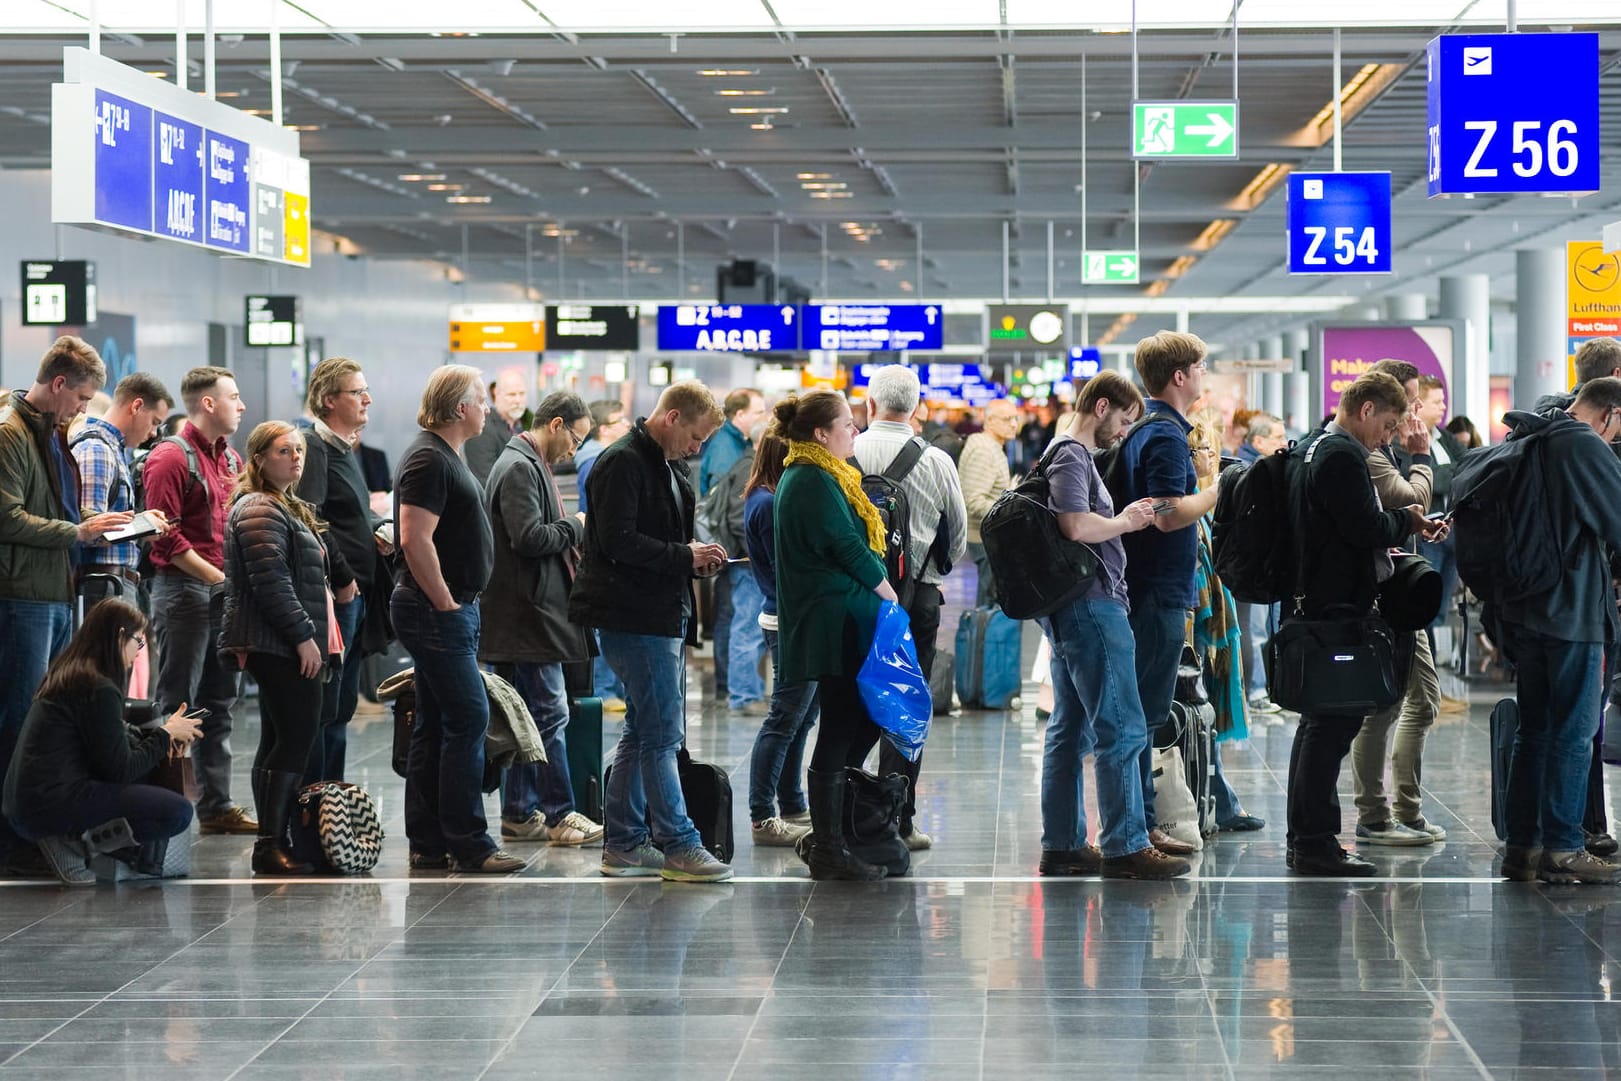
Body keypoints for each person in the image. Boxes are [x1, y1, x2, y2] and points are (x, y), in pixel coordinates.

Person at [569, 381, 733, 883]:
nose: (697, 448)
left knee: (643, 732)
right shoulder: (622, 462)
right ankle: (680, 845)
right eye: (695, 436)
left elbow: (658, 537)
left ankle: (622, 844)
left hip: (657, 611)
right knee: (663, 735)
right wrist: (685, 556)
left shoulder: (665, 463)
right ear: (672, 416)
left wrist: (692, 557)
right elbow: (618, 542)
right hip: (632, 616)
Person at [1286, 372, 1445, 876]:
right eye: (1390, 425)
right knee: (1331, 727)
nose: (1390, 437)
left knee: (1322, 727)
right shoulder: (1341, 455)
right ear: (1367, 408)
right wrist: (1409, 522)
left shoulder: (1318, 448)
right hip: (1337, 607)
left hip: (1325, 602)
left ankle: (1311, 838)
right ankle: (1314, 842)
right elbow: (1365, 527)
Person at [1036, 372, 1191, 880]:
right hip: (1092, 607)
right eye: (1123, 420)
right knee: (1121, 726)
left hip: (1073, 608)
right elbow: (1076, 525)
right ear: (1102, 407)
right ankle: (1125, 844)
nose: (1124, 432)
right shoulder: (1071, 455)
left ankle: (1063, 843)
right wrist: (1128, 521)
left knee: (1071, 728)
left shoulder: (1063, 454)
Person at [0, 336, 133, 875]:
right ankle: (12, 836)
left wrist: (84, 529)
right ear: (58, 384)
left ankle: (31, 828)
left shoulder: (48, 435)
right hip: (20, 597)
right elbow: (6, 517)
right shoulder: (10, 436)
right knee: (17, 720)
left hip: (50, 592)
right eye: (80, 398)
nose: (83, 409)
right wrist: (77, 531)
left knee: (39, 720)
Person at [393, 365, 522, 874]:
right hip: (434, 611)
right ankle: (470, 843)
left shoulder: (444, 454)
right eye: (479, 400)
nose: (486, 408)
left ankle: (429, 841)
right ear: (458, 407)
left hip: (445, 609)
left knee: (435, 723)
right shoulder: (429, 457)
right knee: (469, 717)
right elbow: (413, 537)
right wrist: (445, 600)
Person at [771, 390, 899, 881]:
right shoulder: (809, 478)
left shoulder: (823, 474)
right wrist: (889, 594)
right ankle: (828, 845)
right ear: (821, 434)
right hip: (831, 624)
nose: (857, 431)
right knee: (843, 723)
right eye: (848, 424)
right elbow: (846, 546)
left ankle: (837, 832)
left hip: (840, 620)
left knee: (859, 720)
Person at [1498, 378, 1621, 884]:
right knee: (1574, 730)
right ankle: (1565, 847)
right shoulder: (1582, 443)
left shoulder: (1529, 435)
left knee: (1535, 729)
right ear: (1609, 413)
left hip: (1527, 607)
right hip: (1572, 609)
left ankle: (1523, 847)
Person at [1111, 331, 1221, 859]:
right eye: (1201, 368)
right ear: (1180, 376)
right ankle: (1138, 830)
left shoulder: (1145, 430)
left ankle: (1141, 824)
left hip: (1144, 588)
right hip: (1156, 592)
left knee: (1141, 711)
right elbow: (1167, 513)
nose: (1204, 375)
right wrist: (1217, 489)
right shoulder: (1167, 437)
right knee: (1146, 714)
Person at [479, 390, 605, 848]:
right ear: (554, 424)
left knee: (525, 717)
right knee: (549, 715)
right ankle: (560, 814)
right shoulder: (518, 467)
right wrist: (577, 524)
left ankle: (518, 812)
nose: (574, 449)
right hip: (527, 616)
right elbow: (529, 538)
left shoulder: (528, 463)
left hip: (526, 613)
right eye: (574, 438)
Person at [2, 599, 201, 885]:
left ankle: (80, 843)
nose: (138, 652)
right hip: (48, 805)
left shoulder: (73, 673)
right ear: (119, 636)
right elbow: (120, 770)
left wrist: (161, 739)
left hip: (30, 802)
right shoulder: (99, 688)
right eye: (138, 642)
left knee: (151, 774)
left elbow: (107, 748)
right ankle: (79, 847)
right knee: (177, 812)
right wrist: (165, 734)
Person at [853, 365, 967, 850]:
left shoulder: (847, 452)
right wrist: (928, 573)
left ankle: (846, 811)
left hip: (855, 597)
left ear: (869, 405)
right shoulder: (937, 460)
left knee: (848, 701)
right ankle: (898, 819)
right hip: (917, 599)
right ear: (917, 409)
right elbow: (957, 536)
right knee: (905, 705)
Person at [220, 421, 334, 875]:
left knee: (280, 738)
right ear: (260, 458)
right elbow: (272, 585)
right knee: (295, 737)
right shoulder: (259, 508)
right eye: (284, 450)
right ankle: (270, 845)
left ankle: (275, 838)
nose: (296, 457)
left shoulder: (281, 505)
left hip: (281, 640)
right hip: (278, 642)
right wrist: (305, 637)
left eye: (299, 450)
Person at [145, 366, 253, 836]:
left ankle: (215, 805)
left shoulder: (229, 459)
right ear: (208, 403)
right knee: (176, 704)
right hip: (184, 593)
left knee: (219, 701)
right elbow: (162, 540)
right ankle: (163, 806)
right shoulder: (171, 457)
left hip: (219, 592)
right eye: (233, 396)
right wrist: (220, 581)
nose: (242, 405)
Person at [1345, 360, 1447, 848]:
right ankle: (1375, 814)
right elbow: (1412, 501)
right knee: (1380, 706)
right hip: (1380, 595)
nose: (1411, 418)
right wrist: (1421, 458)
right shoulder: (1370, 453)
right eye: (1402, 409)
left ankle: (1405, 807)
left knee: (1423, 700)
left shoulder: (1380, 447)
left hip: (1402, 585)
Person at [295, 357, 386, 783]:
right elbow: (311, 519)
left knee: (341, 707)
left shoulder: (342, 449)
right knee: (326, 709)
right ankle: (316, 805)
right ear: (330, 400)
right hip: (335, 597)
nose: (367, 398)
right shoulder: (314, 450)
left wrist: (378, 530)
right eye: (357, 391)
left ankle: (333, 801)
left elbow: (350, 516)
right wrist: (346, 578)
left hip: (356, 595)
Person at [1186, 414, 1266, 836]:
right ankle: (1212, 802)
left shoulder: (1204, 499)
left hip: (1211, 619)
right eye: (1201, 448)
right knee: (1197, 710)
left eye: (1212, 448)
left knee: (1205, 711)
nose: (1210, 456)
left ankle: (1216, 799)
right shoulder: (1190, 501)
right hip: (1196, 625)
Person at [741, 428, 817, 847]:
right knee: (784, 718)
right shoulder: (770, 504)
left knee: (800, 718)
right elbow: (789, 568)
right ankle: (761, 814)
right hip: (789, 621)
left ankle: (790, 802)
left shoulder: (763, 497)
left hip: (788, 617)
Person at [71, 371, 173, 604]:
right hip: (104, 585)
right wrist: (142, 525)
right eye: (155, 422)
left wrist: (143, 522)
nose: (154, 433)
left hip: (113, 583)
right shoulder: (98, 450)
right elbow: (89, 531)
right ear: (136, 406)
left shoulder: (112, 449)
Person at [699, 388, 767, 704]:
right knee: (741, 622)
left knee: (732, 618)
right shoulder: (731, 452)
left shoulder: (736, 447)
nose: (761, 416)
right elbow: (733, 509)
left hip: (736, 552)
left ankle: (734, 688)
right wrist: (752, 551)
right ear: (740, 415)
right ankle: (739, 691)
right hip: (741, 556)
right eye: (758, 411)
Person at [575, 400, 631, 710]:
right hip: (598, 552)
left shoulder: (598, 456)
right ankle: (604, 690)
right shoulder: (595, 460)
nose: (627, 424)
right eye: (620, 420)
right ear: (604, 429)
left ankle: (610, 688)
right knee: (601, 624)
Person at [717, 425, 769, 714]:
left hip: (750, 563)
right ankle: (744, 695)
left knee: (751, 629)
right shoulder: (749, 469)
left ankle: (750, 692)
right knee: (746, 629)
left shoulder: (751, 467)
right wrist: (760, 557)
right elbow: (740, 521)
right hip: (747, 565)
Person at [958, 398, 1020, 608]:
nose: (1014, 424)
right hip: (984, 538)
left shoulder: (993, 447)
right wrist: (1008, 510)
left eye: (1016, 418)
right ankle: (983, 641)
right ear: (990, 421)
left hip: (990, 536)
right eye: (1007, 419)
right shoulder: (983, 450)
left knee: (990, 603)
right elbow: (973, 501)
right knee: (988, 606)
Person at [464, 366, 533, 486]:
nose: (518, 400)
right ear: (497, 393)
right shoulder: (482, 429)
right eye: (511, 395)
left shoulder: (526, 426)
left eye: (522, 394)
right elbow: (486, 483)